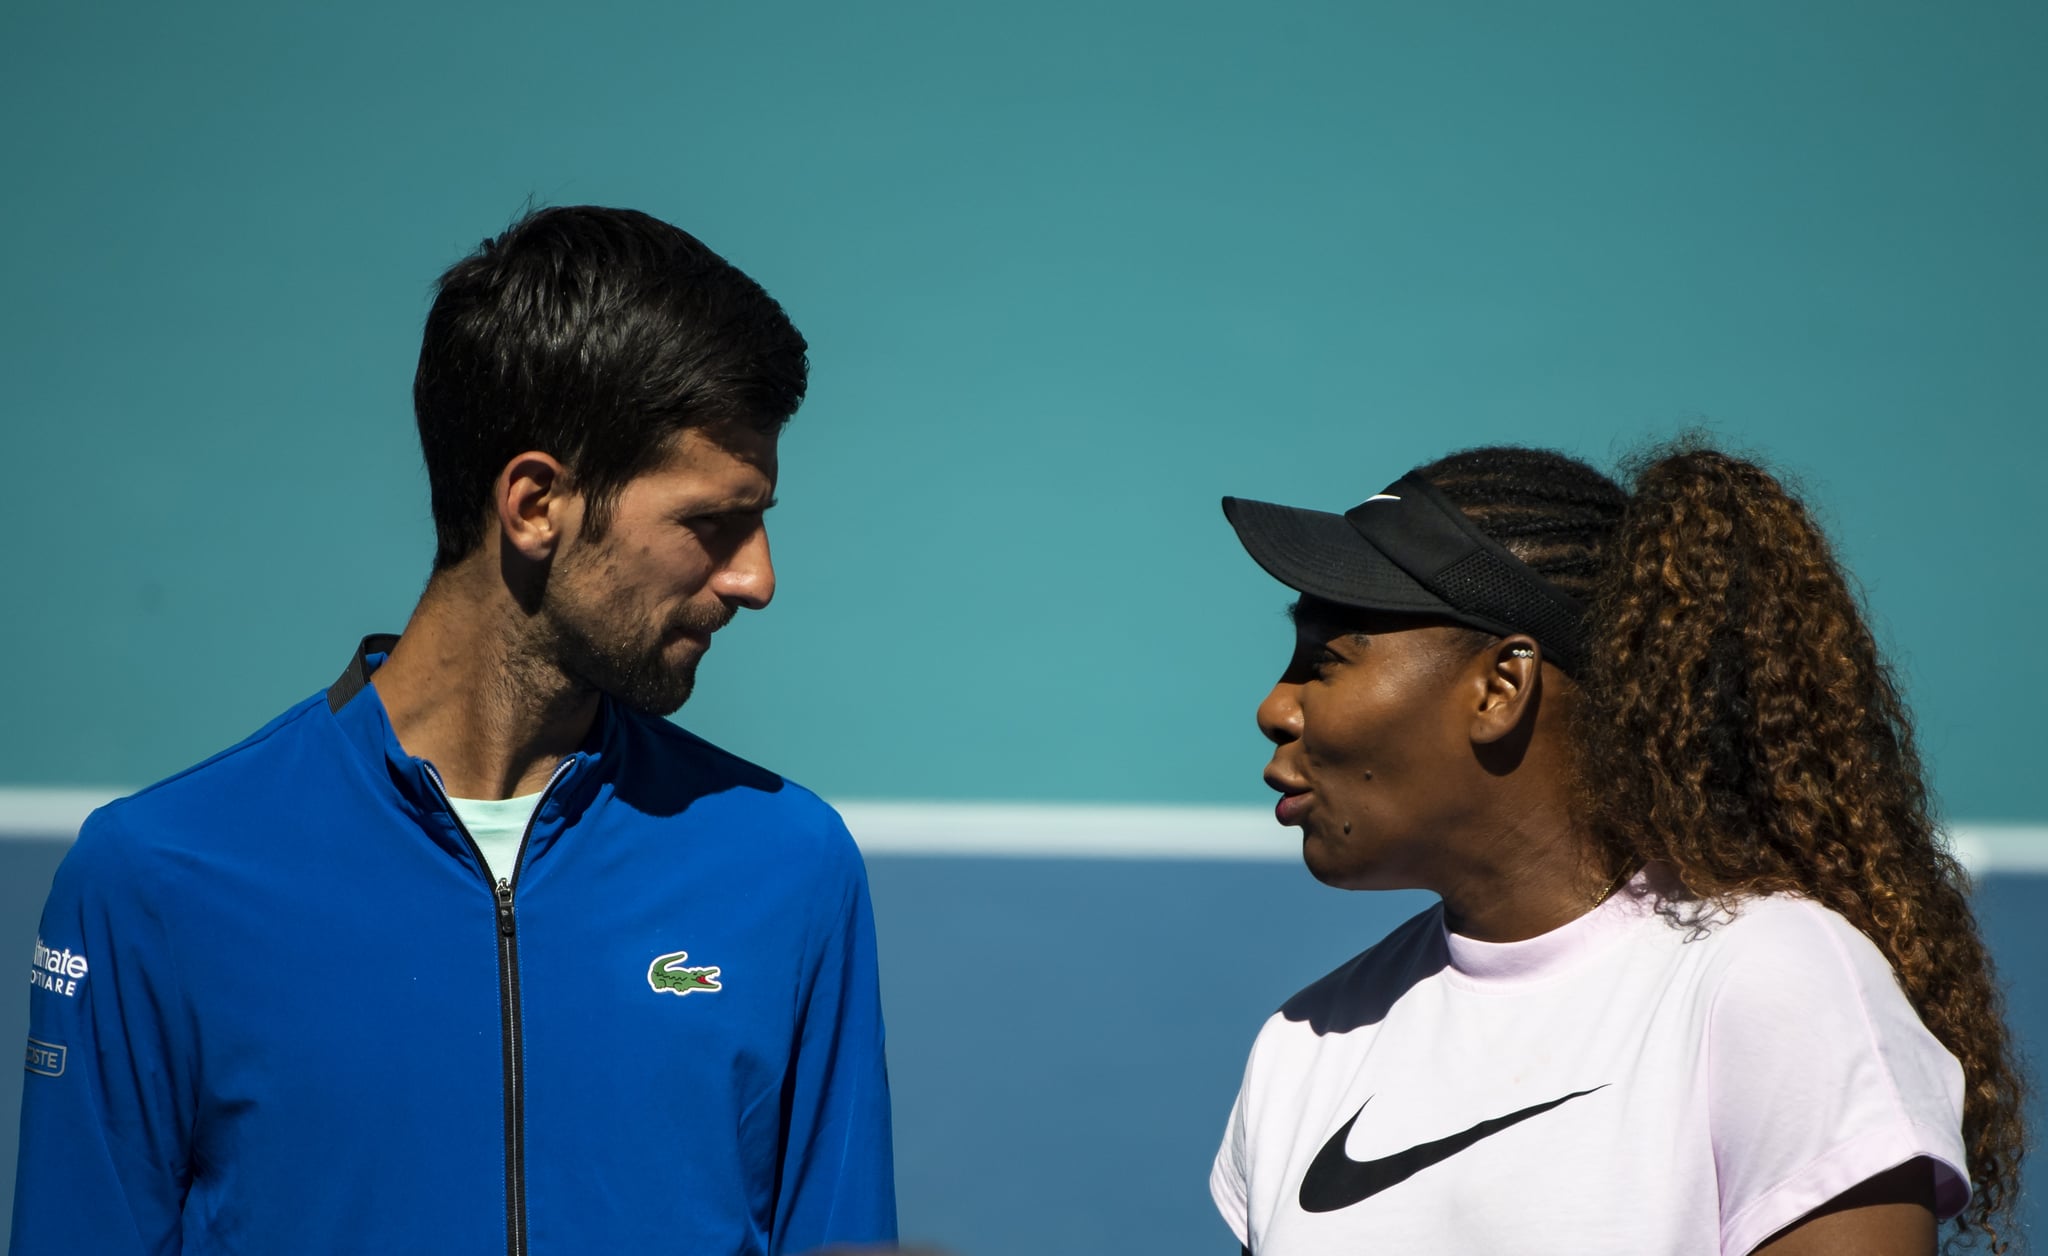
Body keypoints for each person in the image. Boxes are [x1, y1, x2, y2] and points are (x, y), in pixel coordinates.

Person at [12, 206, 896, 1255]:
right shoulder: (151, 882)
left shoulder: (789, 867)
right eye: (713, 522)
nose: (756, 578)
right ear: (535, 504)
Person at [1209, 444, 2025, 1254]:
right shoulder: (1302, 1046)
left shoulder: (1773, 982)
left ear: (1501, 687)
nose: (1275, 707)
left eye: (1324, 661)